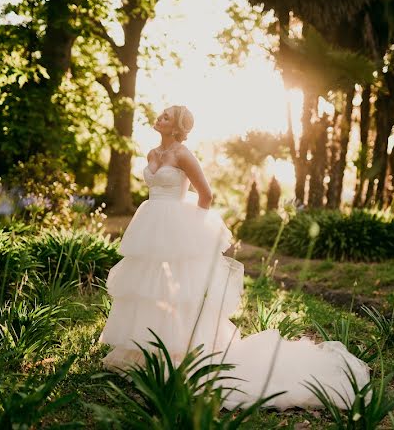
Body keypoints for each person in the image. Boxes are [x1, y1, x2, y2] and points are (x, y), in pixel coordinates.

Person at [98, 105, 370, 410]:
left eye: (166, 116)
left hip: (177, 225)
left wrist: (190, 226)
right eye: (160, 114)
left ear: (176, 127)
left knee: (180, 292)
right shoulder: (151, 153)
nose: (159, 118)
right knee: (150, 287)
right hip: (151, 222)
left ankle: (178, 354)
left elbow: (206, 195)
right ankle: (145, 351)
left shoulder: (184, 154)